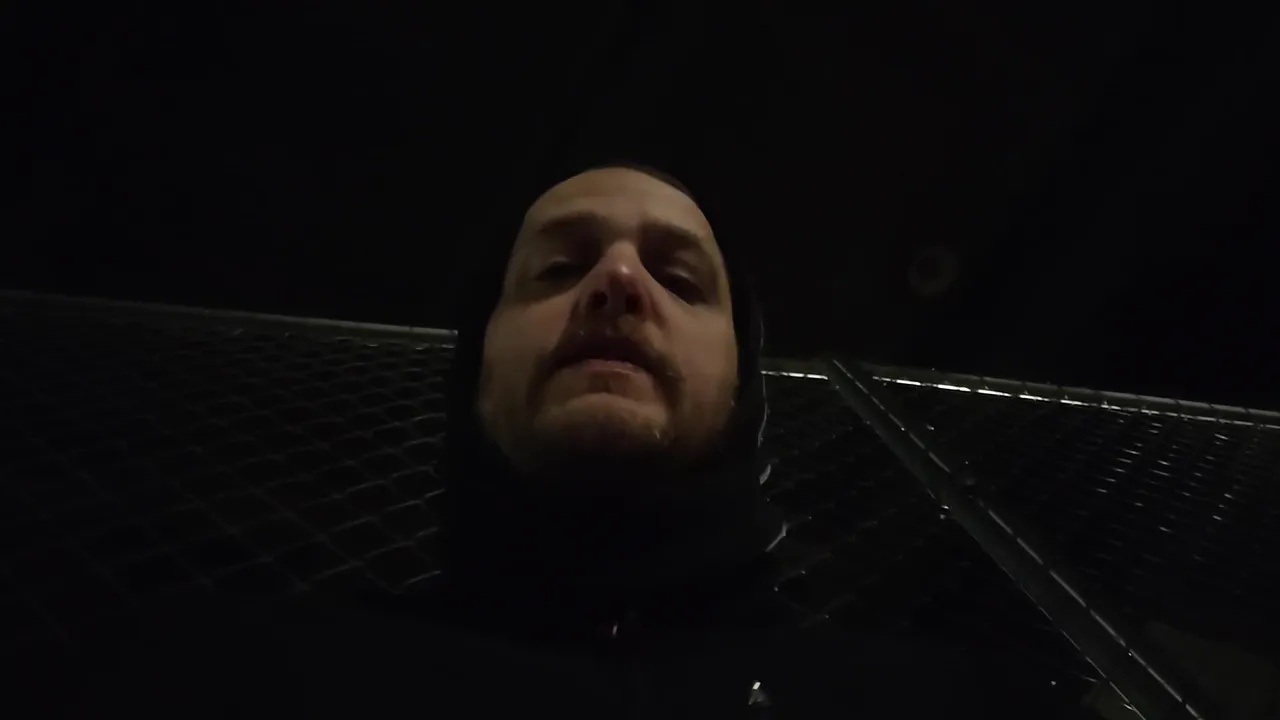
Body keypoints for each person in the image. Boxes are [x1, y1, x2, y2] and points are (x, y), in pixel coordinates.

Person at [57, 163, 1090, 718]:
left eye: (678, 279)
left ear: (744, 386)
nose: (617, 282)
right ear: (477, 364)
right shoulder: (204, 671)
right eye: (557, 271)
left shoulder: (965, 703)